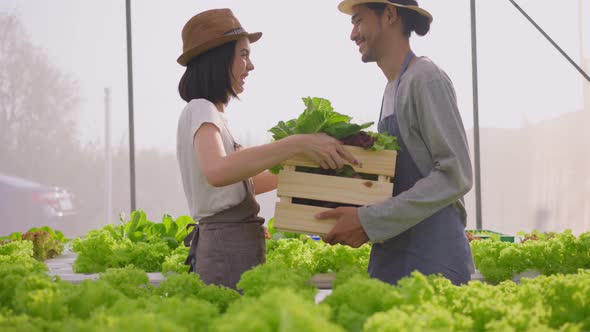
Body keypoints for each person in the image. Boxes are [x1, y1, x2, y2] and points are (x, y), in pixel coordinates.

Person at [176, 8, 357, 289]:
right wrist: (295, 143)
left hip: (234, 245)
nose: (250, 66)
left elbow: (243, 182)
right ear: (218, 59)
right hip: (225, 250)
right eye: (244, 55)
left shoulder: (212, 116)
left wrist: (309, 167)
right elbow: (217, 172)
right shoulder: (201, 108)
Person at [316, 0, 475, 285]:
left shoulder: (425, 78)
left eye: (358, 20)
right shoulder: (392, 87)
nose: (353, 34)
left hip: (431, 257)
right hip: (394, 252)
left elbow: (456, 174)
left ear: (389, 15)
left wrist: (369, 220)